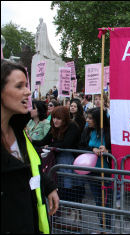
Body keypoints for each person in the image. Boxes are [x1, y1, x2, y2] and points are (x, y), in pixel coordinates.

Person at [1, 60, 59, 233]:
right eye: (19, 86)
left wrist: (48, 186)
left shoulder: (18, 130)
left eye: (26, 85)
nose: (28, 92)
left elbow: (31, 168)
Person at [32, 106, 82, 219]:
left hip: (70, 161)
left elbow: (66, 144)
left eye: (58, 118)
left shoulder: (72, 126)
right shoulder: (53, 127)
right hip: (57, 162)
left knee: (70, 187)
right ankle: (61, 212)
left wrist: (50, 146)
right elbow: (43, 141)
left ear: (65, 119)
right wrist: (31, 141)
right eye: (54, 118)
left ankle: (74, 215)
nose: (55, 121)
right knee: (60, 186)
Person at [79, 107, 114, 228]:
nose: (87, 120)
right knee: (98, 200)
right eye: (87, 117)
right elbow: (80, 146)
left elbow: (117, 150)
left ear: (99, 120)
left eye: (90, 118)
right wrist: (91, 149)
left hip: (105, 171)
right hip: (91, 171)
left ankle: (108, 227)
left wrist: (108, 150)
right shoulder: (87, 131)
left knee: (106, 201)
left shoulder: (109, 132)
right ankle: (103, 226)